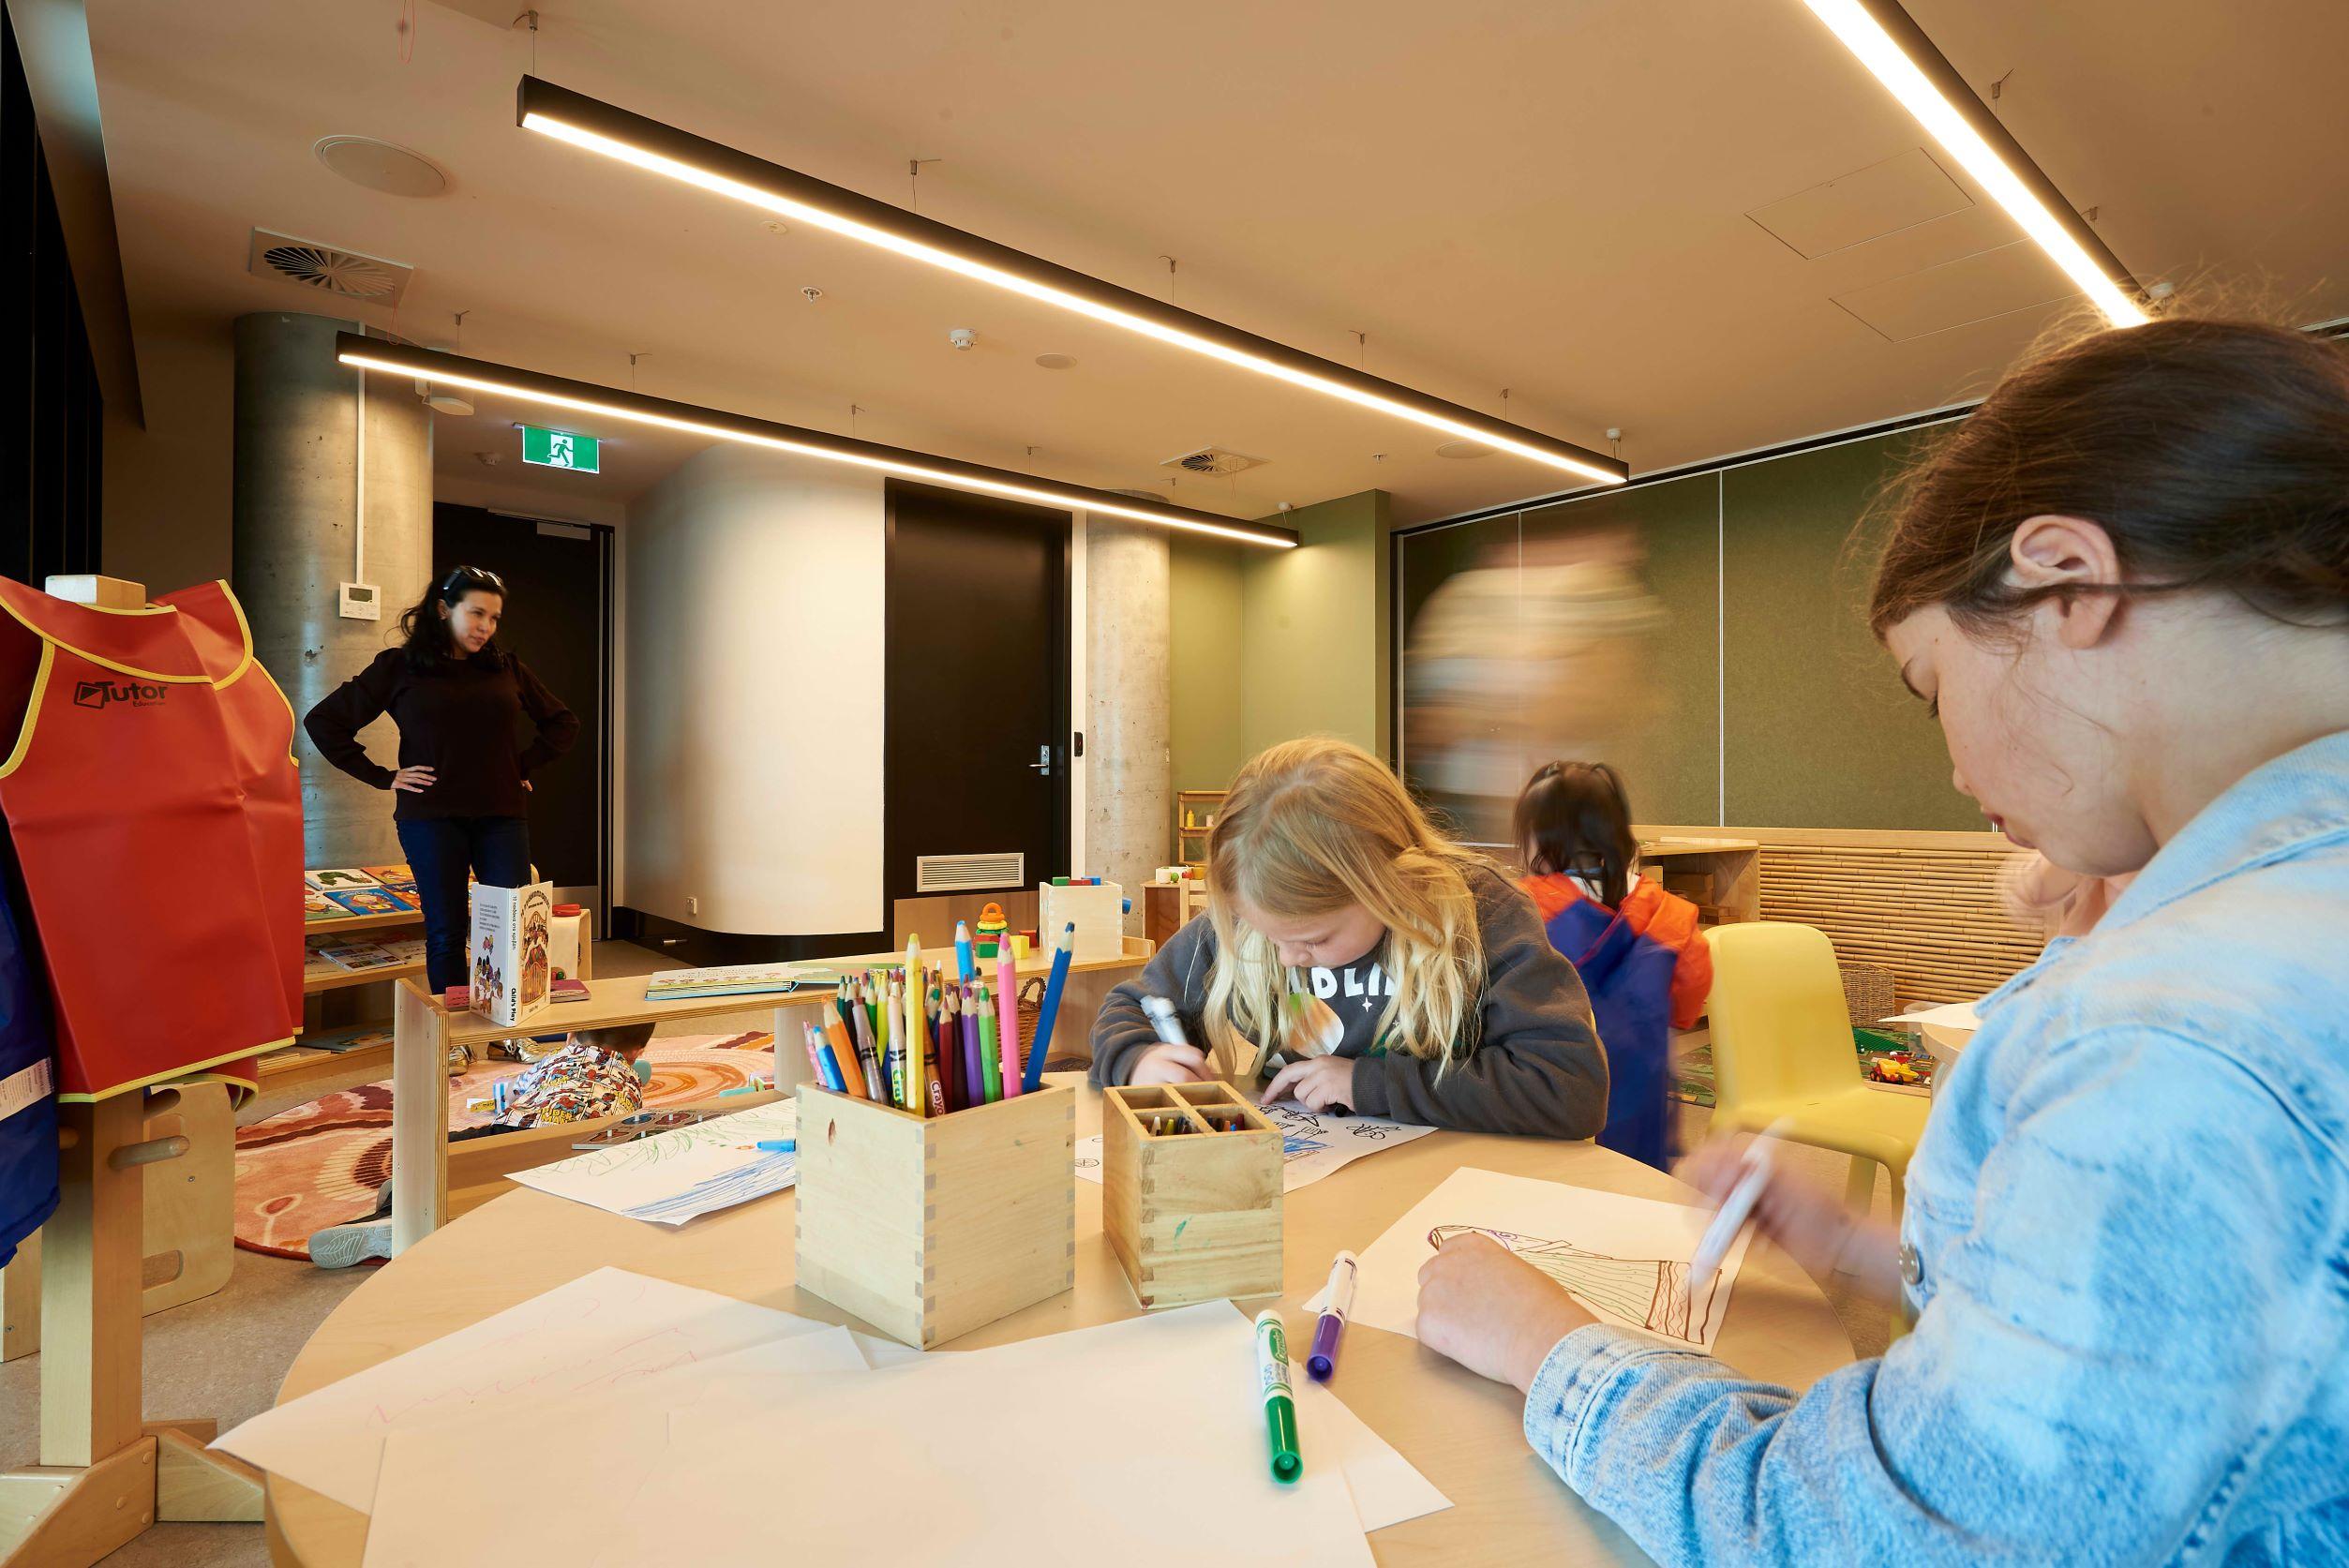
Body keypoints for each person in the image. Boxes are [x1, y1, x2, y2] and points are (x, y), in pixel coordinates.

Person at [1413, 315, 2349, 1562]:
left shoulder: (2171, 1032)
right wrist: (1865, 1245)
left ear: (2067, 579)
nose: (1957, 765)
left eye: (1932, 689)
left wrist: (1543, 1346)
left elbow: (1883, 1534)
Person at [1090, 738, 1608, 1139]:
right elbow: (1133, 1005)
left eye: (1314, 940)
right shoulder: (1261, 916)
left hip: (1446, 1195)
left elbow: (1571, 1087)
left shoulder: (1482, 919)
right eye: (1270, 938)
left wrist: (1371, 1083)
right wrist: (1139, 1060)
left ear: (1389, 885)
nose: (1289, 958)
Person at [304, 566, 578, 993]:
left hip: (501, 817)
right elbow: (324, 722)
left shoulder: (506, 668)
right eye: (476, 613)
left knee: (514, 926)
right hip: (430, 819)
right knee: (447, 931)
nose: (486, 626)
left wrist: (520, 765)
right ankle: (453, 1041)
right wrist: (382, 777)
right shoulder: (399, 667)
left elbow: (562, 724)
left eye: (494, 617)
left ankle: (510, 1032)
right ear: (443, 609)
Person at [307, 1023, 655, 1269]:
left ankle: (398, 1212)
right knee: (496, 1190)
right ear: (636, 1053)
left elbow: (516, 1095)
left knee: (434, 1150)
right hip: (579, 1159)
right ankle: (412, 1214)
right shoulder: (630, 1082)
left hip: (517, 1133)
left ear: (570, 1036)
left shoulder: (556, 1060)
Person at [1514, 760, 1711, 1169]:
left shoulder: (1523, 908)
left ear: (1540, 837)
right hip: (1643, 1110)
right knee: (1633, 1196)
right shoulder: (1673, 914)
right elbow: (1687, 1007)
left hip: (1551, 1100)